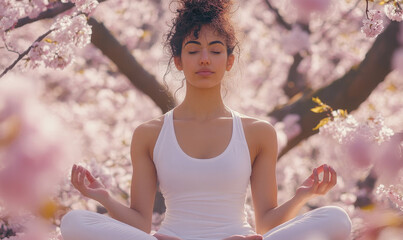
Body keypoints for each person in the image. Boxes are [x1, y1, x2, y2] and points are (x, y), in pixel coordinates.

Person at [60, 0, 352, 239]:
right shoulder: (149, 134)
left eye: (215, 50)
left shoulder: (258, 132)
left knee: (337, 218)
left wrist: (301, 196)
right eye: (193, 50)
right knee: (73, 221)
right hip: (172, 238)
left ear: (229, 61)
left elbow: (265, 225)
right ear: (178, 61)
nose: (204, 59)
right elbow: (139, 224)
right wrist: (104, 198)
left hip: (237, 238)